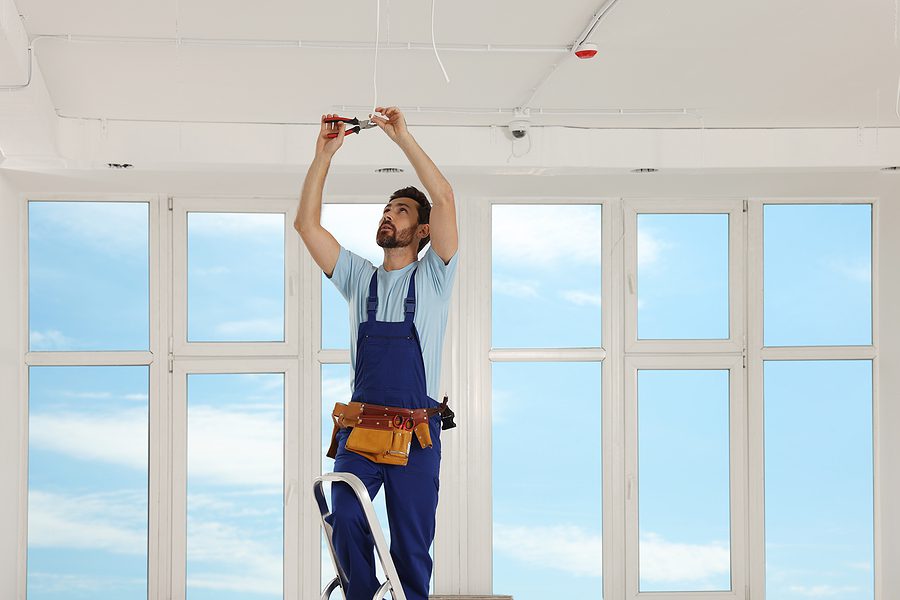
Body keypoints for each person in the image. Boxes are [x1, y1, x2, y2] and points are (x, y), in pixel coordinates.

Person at [294, 106, 459, 600]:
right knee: (343, 510)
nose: (389, 215)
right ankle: (360, 596)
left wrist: (401, 138)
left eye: (402, 210)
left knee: (412, 547)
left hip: (417, 433)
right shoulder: (358, 277)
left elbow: (446, 197)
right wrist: (323, 155)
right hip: (362, 429)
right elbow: (306, 226)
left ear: (423, 230)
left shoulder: (434, 276)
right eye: (387, 209)